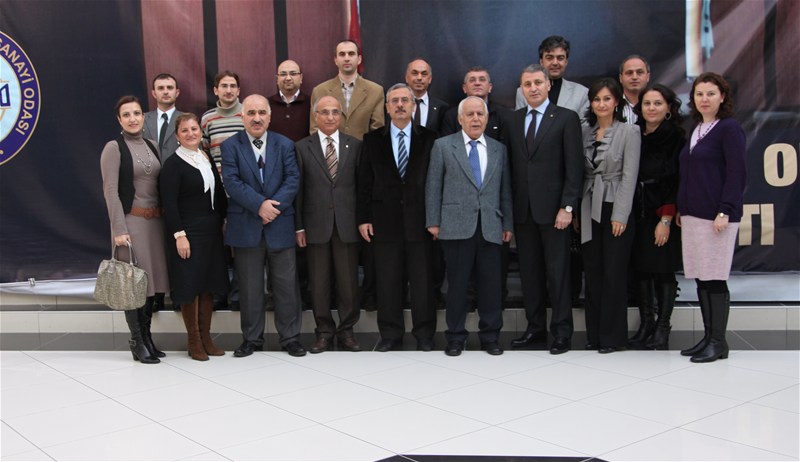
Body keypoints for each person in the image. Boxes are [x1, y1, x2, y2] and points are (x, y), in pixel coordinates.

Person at [426, 96, 513, 356]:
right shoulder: (443, 146)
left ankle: (490, 336)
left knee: (491, 286)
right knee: (457, 286)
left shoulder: (499, 149)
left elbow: (505, 189)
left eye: (480, 114)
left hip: (490, 226)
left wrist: (507, 222)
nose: (476, 119)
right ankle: (455, 337)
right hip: (455, 226)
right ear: (460, 119)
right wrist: (433, 221)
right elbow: (433, 186)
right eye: (470, 114)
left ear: (486, 118)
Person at [220, 94, 306, 358]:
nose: (256, 118)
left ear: (269, 116)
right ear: (242, 116)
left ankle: (290, 338)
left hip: (280, 224)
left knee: (286, 285)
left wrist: (272, 208)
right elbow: (232, 182)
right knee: (249, 288)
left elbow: (293, 179)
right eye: (251, 113)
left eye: (261, 113)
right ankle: (251, 339)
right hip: (246, 226)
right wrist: (259, 205)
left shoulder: (285, 144)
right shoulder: (230, 146)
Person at [505, 65, 583, 354]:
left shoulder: (566, 118)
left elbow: (574, 168)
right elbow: (509, 168)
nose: (533, 88)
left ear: (548, 85)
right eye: (527, 84)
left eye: (538, 82)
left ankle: (562, 332)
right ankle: (534, 329)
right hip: (523, 212)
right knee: (530, 274)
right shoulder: (512, 120)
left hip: (555, 213)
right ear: (521, 89)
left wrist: (567, 207)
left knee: (558, 274)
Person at [358, 84, 437, 352]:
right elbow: (364, 182)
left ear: (413, 106)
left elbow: (436, 182)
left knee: (423, 283)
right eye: (395, 101)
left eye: (405, 100)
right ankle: (391, 334)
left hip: (421, 222)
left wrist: (436, 218)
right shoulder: (372, 140)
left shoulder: (430, 139)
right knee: (388, 282)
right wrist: (363, 218)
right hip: (384, 222)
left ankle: (424, 334)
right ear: (387, 107)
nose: (400, 105)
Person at [677, 72, 746, 363]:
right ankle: (708, 337)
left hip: (716, 217)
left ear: (722, 97)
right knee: (702, 278)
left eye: (710, 94)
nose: (704, 99)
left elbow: (736, 173)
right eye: (699, 94)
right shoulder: (696, 128)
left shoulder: (729, 128)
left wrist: (725, 210)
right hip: (693, 216)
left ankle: (718, 341)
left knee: (715, 277)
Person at [100, 95, 169, 364]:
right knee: (134, 285)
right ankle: (137, 342)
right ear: (119, 120)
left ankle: (148, 339)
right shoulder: (113, 148)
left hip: (155, 224)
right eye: (126, 115)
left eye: (137, 113)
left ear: (143, 117)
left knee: (151, 285)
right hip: (131, 224)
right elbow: (110, 191)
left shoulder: (152, 145)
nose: (133, 119)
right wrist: (119, 228)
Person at [295, 96, 363, 353]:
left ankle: (347, 331)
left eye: (335, 112)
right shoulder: (302, 147)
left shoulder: (355, 145)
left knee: (348, 283)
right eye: (325, 112)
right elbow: (298, 191)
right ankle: (324, 332)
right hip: (315, 226)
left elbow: (361, 188)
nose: (331, 117)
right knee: (319, 284)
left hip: (347, 225)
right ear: (315, 116)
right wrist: (299, 226)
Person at [578, 79, 641, 353]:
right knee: (593, 272)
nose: (601, 104)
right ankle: (594, 334)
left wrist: (621, 215)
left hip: (615, 207)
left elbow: (629, 176)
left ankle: (613, 337)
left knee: (613, 273)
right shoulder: (585, 132)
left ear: (616, 102)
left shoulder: (630, 131)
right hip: (588, 206)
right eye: (596, 99)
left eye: (606, 99)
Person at [160, 113, 229, 361]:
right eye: (185, 130)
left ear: (201, 132)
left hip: (211, 232)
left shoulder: (205, 156)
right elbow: (169, 204)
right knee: (190, 285)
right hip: (188, 233)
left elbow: (218, 193)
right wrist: (179, 235)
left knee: (208, 284)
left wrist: (224, 219)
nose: (191, 133)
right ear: (177, 136)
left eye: (194, 129)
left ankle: (207, 337)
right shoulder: (173, 164)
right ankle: (194, 341)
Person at [628, 84, 685, 350]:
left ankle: (663, 327)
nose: (651, 108)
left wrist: (665, 219)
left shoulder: (675, 137)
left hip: (663, 213)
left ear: (668, 108)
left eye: (658, 103)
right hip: (637, 211)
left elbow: (675, 182)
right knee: (641, 269)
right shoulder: (634, 133)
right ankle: (646, 325)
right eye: (647, 103)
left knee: (663, 270)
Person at [201, 70, 244, 311]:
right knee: (216, 244)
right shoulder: (207, 119)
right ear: (215, 90)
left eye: (232, 86)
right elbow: (203, 153)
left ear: (238, 90)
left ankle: (238, 294)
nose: (228, 90)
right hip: (215, 192)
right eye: (224, 86)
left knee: (239, 245)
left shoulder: (247, 114)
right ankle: (219, 292)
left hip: (242, 191)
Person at [310, 40, 385, 140]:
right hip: (330, 149)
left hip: (363, 149)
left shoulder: (375, 91)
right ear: (336, 60)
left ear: (359, 59)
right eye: (342, 54)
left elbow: (377, 130)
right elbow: (315, 129)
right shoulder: (320, 91)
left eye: (351, 54)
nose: (346, 58)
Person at [514, 36, 590, 125]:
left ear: (566, 62)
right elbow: (520, 126)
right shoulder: (523, 92)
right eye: (549, 57)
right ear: (541, 61)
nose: (555, 63)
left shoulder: (581, 93)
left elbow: (584, 130)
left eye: (560, 58)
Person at [441, 66, 509, 141]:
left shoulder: (503, 115)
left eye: (482, 79)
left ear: (490, 87)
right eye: (472, 80)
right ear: (464, 88)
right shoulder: (451, 116)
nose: (477, 83)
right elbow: (446, 145)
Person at [143, 73, 184, 161]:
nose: (165, 92)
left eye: (170, 87)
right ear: (154, 93)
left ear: (177, 93)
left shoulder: (187, 120)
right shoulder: (142, 119)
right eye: (161, 88)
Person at [269, 60, 311, 142]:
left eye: (293, 74)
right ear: (277, 79)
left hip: (304, 150)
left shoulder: (311, 103)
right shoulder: (267, 104)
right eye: (283, 74)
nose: (288, 78)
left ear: (301, 78)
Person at [405, 59, 449, 134]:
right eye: (415, 73)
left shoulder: (442, 108)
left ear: (430, 79)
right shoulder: (396, 105)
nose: (419, 78)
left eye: (424, 74)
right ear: (407, 78)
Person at [618, 55, 651, 124]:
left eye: (639, 72)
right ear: (621, 78)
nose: (634, 77)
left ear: (648, 77)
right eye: (629, 73)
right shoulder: (612, 106)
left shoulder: (657, 106)